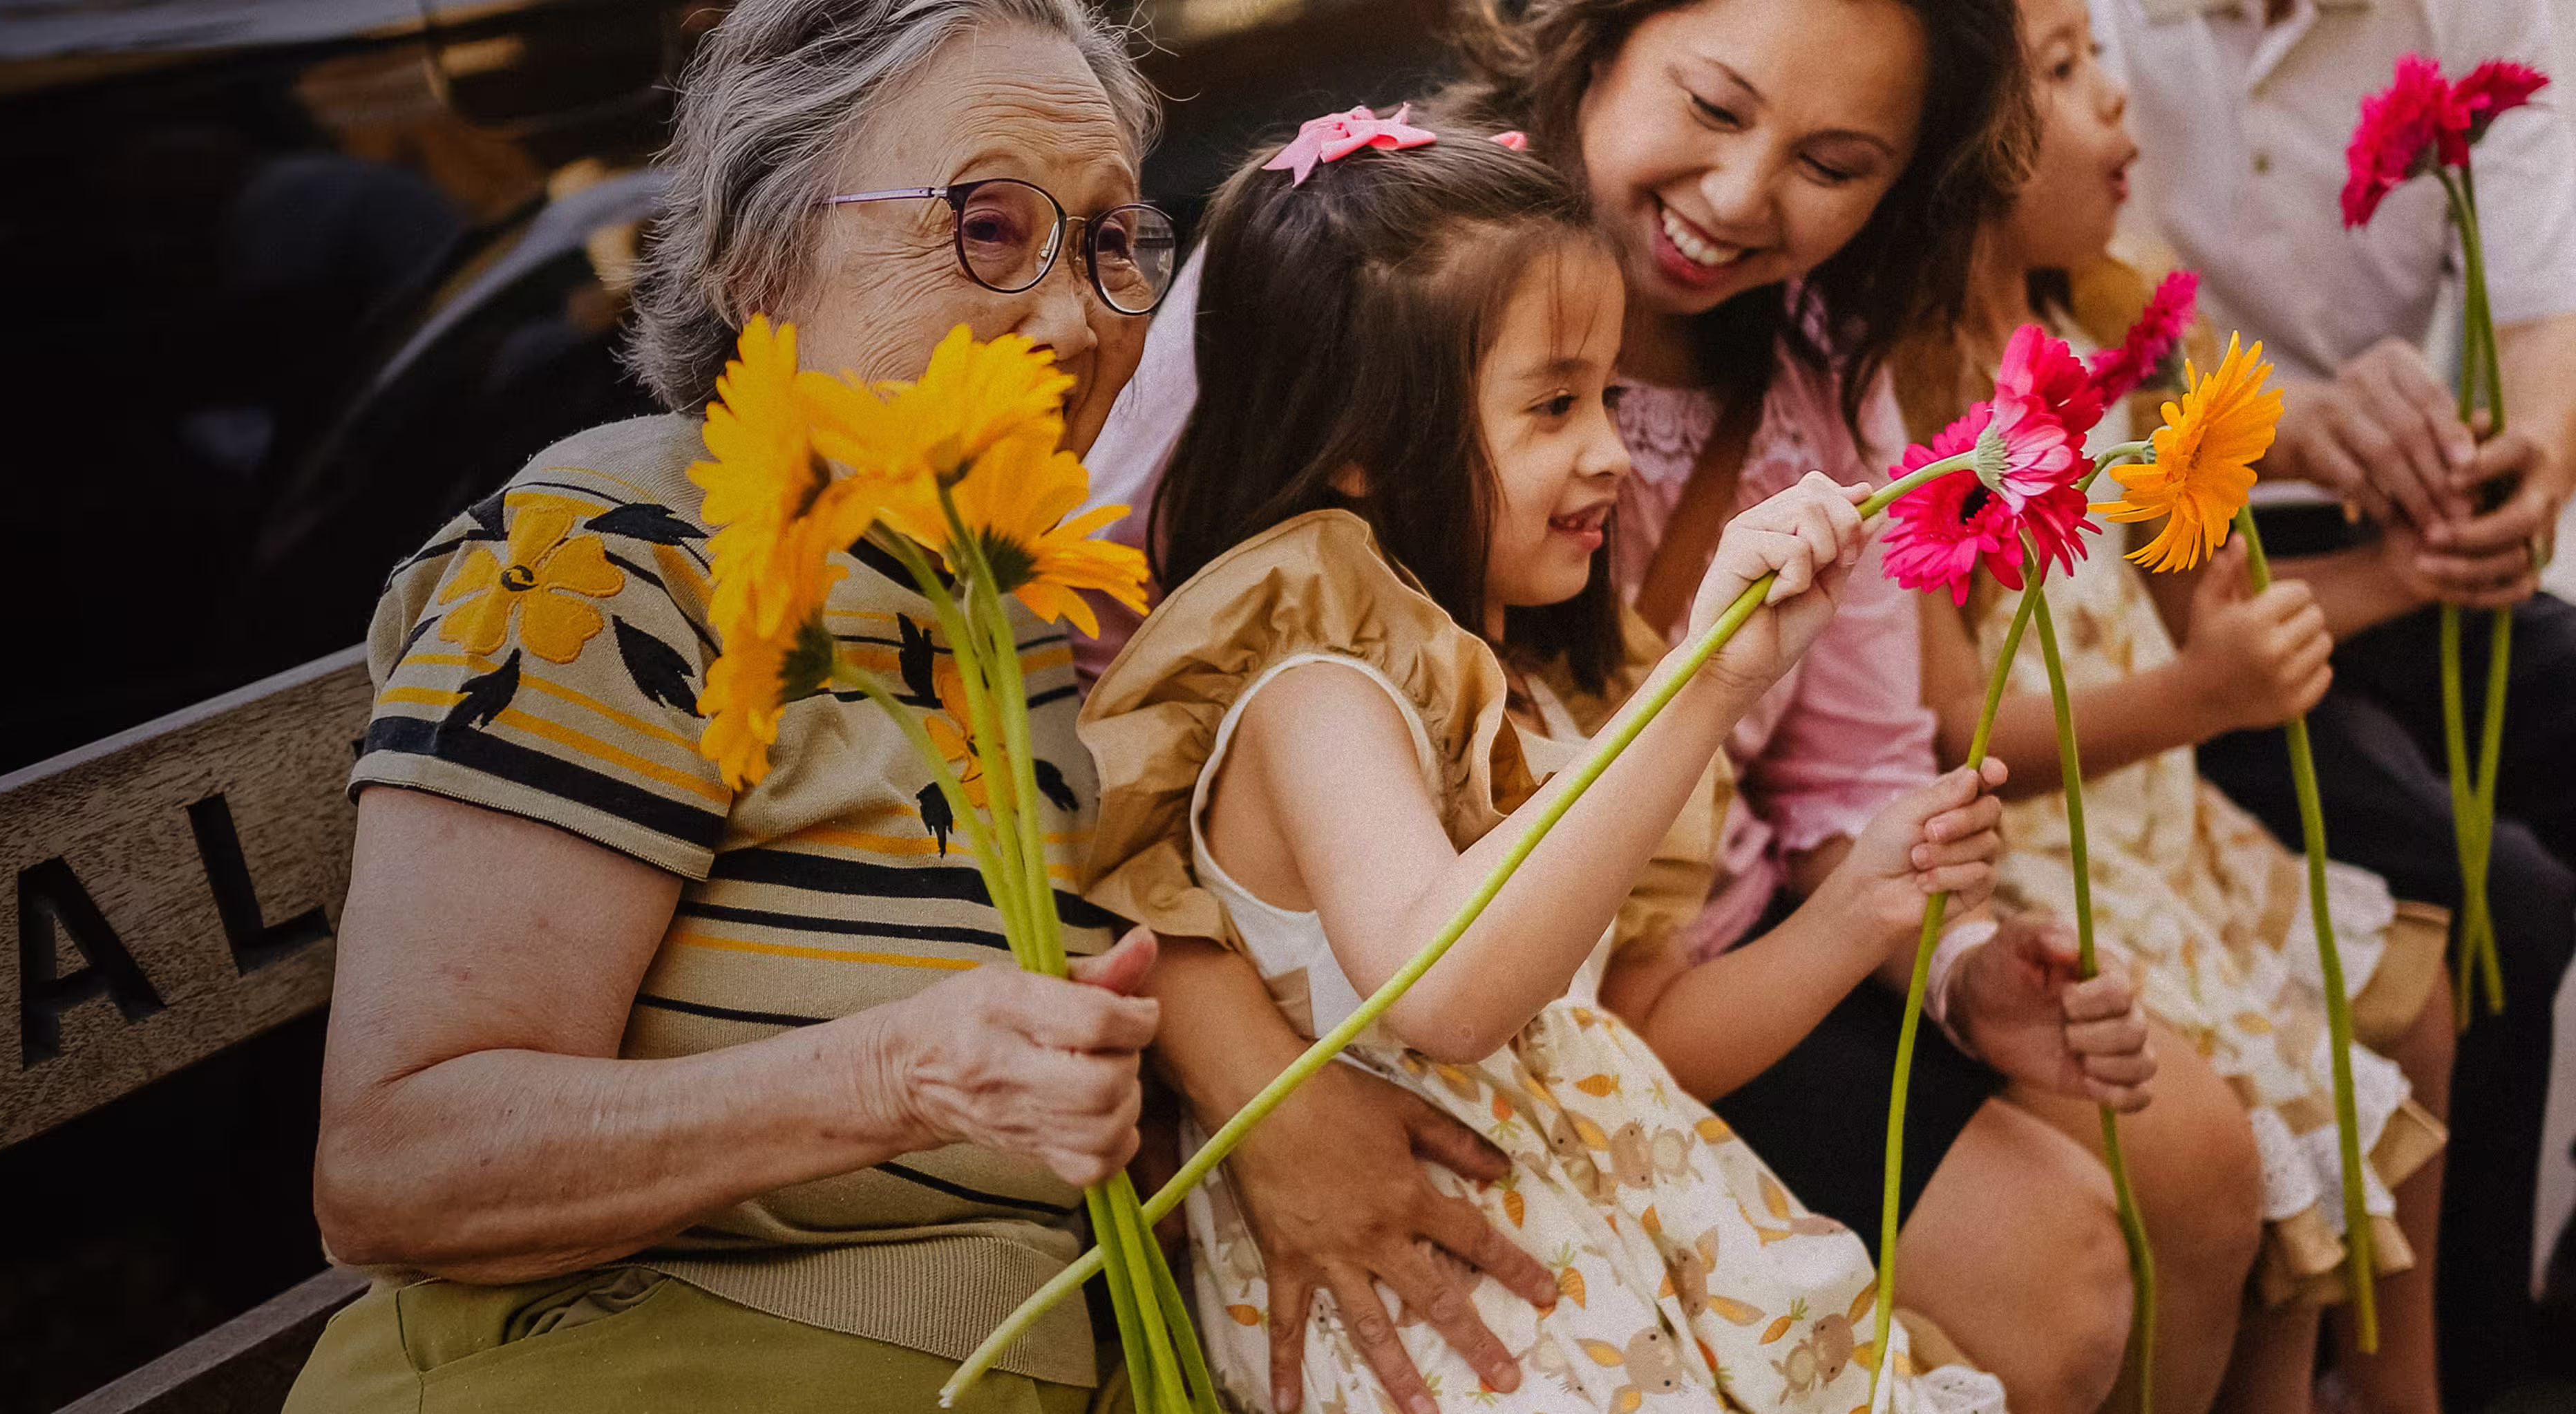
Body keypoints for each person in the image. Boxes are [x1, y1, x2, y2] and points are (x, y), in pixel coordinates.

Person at [1090, 3, 2221, 1409]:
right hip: (1451, 1141)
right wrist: (1267, 1100)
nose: (1742, 195)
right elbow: (1109, 762)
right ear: (1601, 42)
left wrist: (1934, 951)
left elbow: (1658, 960)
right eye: (1714, 104)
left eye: (1834, 161)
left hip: (1620, 1072)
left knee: (2179, 1173)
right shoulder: (1347, 277)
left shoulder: (1530, 653)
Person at [278, 0, 1180, 1407]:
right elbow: (397, 1169)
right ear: (769, 263)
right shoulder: (615, 560)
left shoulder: (1026, 596)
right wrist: (893, 1077)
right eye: (989, 227)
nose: (1075, 316)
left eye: (1113, 241)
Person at [1896, 1, 2455, 1407]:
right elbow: (1956, 730)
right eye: (2065, 73)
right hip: (2057, 851)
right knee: (2271, 1134)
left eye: (2102, 57)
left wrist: (2341, 578)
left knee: (2390, 1035)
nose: (2121, 109)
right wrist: (2203, 691)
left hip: (2155, 816)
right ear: (1958, 138)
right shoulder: (1918, 404)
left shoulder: (2088, 328)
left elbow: (2162, 606)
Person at [2087, 1, 2576, 1402]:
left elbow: (2549, 301)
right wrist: (2294, 425)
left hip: (2397, 528)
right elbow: (2095, 319)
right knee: (2502, 899)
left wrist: (2524, 479)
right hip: (2178, 552)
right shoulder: (2085, 30)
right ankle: (2461, 1374)